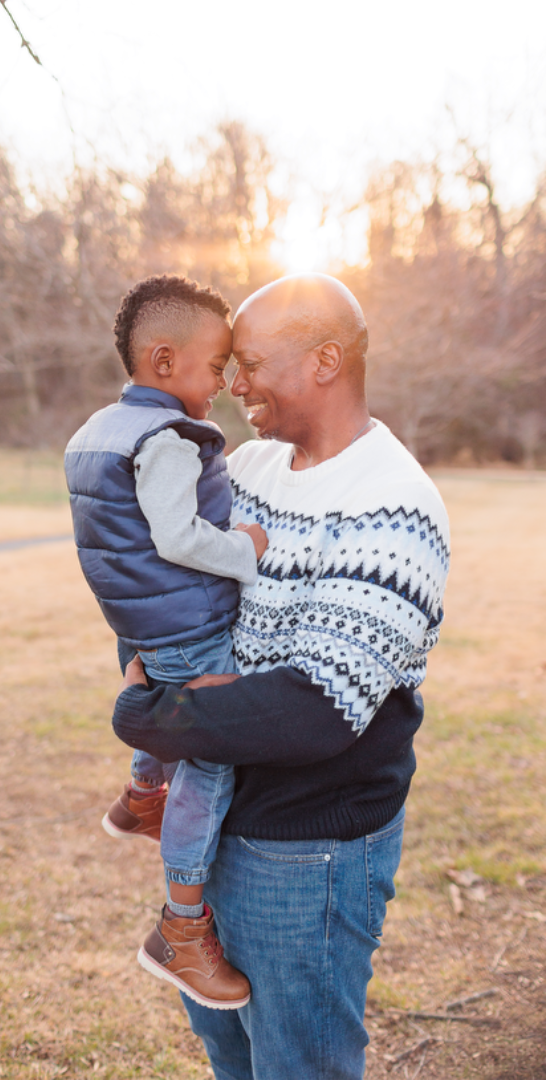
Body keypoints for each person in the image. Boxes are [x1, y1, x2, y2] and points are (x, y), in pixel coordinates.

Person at [112, 273, 451, 1080]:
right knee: (229, 1051)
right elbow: (175, 599)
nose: (233, 383)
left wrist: (146, 713)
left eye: (252, 362)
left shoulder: (394, 503)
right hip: (217, 822)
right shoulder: (247, 468)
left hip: (306, 850)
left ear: (325, 361)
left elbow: (315, 709)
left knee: (298, 1065)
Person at [64, 274, 268, 1010]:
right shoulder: (169, 439)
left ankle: (139, 796)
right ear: (161, 361)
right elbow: (178, 538)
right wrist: (244, 546)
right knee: (209, 768)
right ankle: (181, 931)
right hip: (186, 623)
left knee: (160, 709)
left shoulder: (94, 434)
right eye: (216, 366)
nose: (226, 381)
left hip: (138, 624)